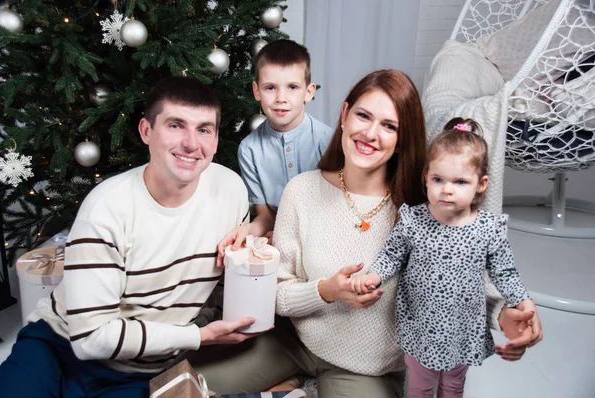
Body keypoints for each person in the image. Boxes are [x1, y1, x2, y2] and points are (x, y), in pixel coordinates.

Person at [190, 70, 543, 398]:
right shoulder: (301, 191)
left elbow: (459, 286)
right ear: (344, 115)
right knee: (184, 385)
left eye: (389, 125)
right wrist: (327, 291)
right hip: (292, 343)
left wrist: (503, 316)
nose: (371, 134)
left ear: (403, 138)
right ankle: (294, 381)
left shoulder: (423, 210)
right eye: (363, 116)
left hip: (368, 370)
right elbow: (276, 293)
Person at [0, 76, 260, 397]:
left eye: (204, 129)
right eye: (176, 125)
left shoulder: (230, 190)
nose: (191, 143)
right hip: (59, 347)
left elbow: (225, 281)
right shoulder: (106, 208)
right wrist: (197, 336)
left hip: (145, 371)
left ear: (216, 139)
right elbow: (91, 339)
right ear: (146, 131)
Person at [349, 118, 536, 398]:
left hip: (463, 326)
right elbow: (392, 254)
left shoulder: (488, 228)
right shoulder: (414, 220)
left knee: (453, 386)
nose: (447, 189)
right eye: (438, 179)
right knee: (420, 387)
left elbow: (504, 272)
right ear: (426, 177)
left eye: (460, 181)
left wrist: (523, 300)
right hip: (421, 325)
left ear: (481, 184)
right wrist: (373, 276)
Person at [216, 39, 333, 263]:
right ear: (256, 91)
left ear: (308, 92)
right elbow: (266, 216)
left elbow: (336, 208)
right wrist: (247, 230)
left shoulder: (328, 140)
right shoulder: (249, 150)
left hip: (323, 237)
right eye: (270, 88)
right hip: (277, 239)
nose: (281, 98)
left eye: (292, 87)